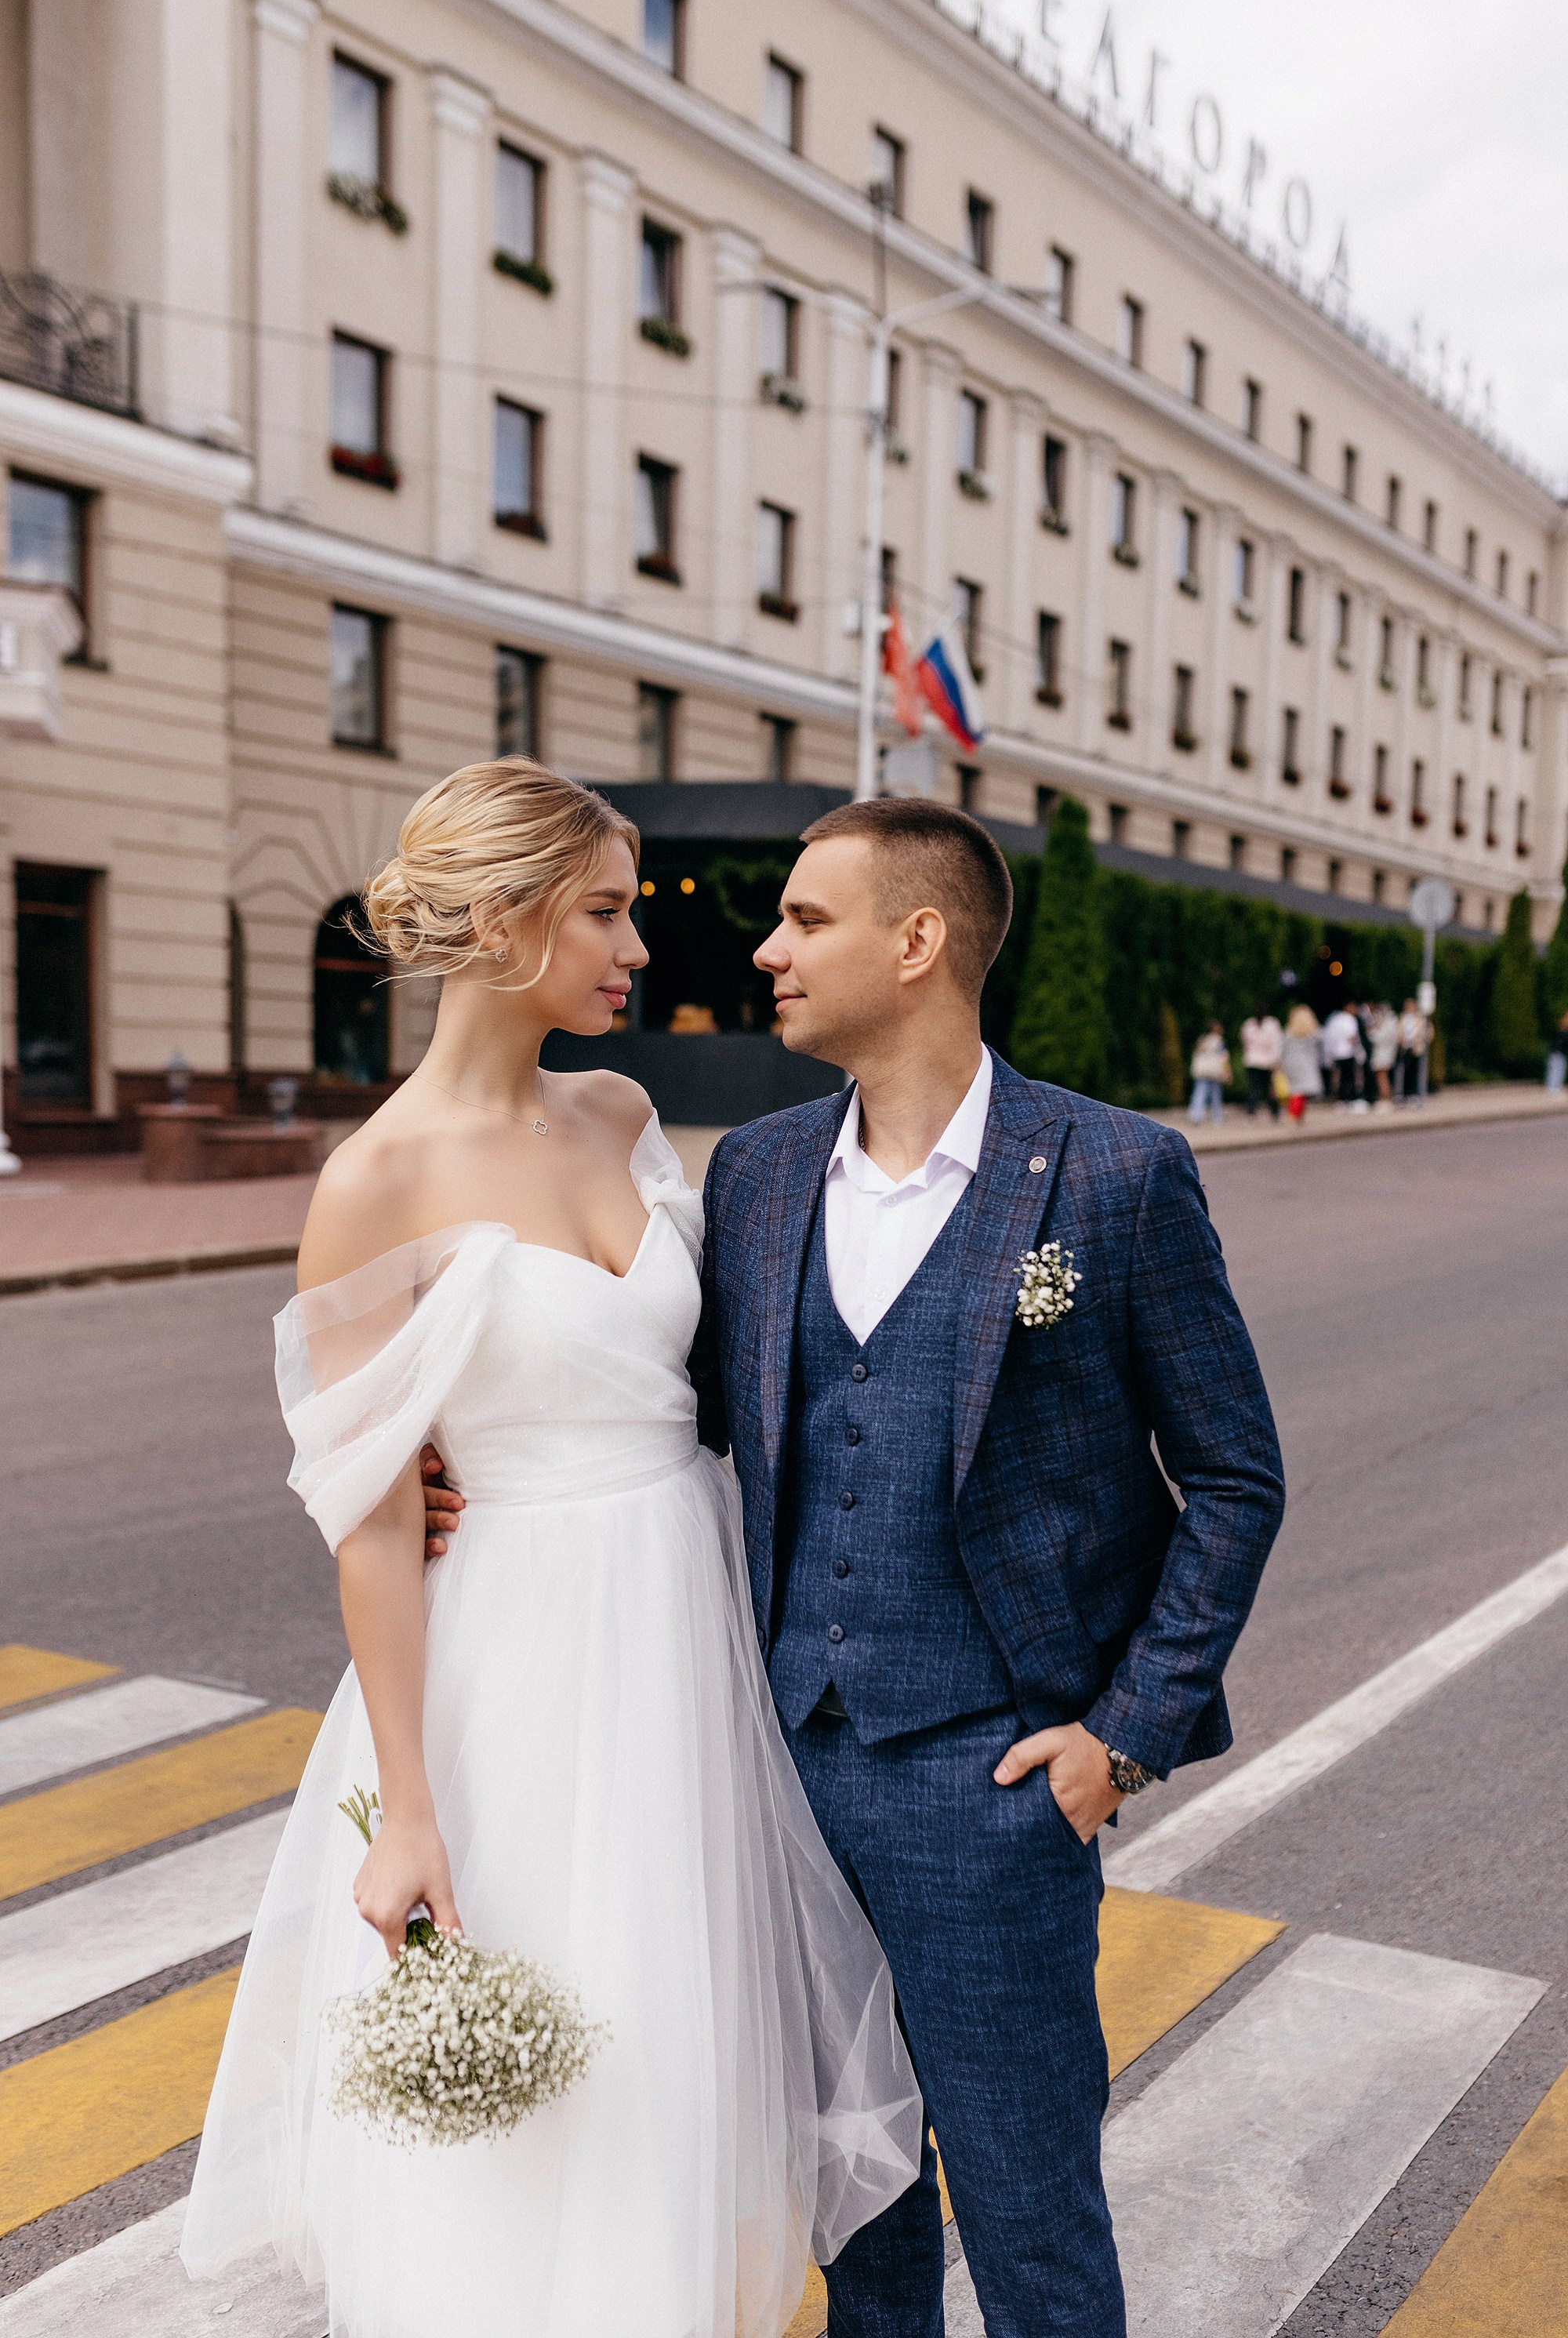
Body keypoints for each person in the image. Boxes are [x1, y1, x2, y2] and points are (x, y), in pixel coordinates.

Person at [423, 797, 1288, 2338]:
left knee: (1029, 2215)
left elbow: (1233, 1477)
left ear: (917, 942)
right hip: (773, 1783)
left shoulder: (1113, 1174)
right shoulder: (756, 1177)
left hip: (996, 1789)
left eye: (806, 921)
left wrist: (1122, 1740)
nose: (766, 949)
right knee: (854, 2215)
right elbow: (667, 1416)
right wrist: (458, 1452)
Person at [181, 761, 922, 2338]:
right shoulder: (374, 1181)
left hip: (684, 1636)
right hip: (513, 1666)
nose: (637, 950)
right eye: (605, 913)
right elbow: (374, 1529)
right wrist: (409, 1810)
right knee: (531, 2089)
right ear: (507, 917)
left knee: (668, 2043)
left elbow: (696, 1378)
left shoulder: (621, 1112)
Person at [1281, 1002, 1323, 1122]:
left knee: (1296, 1090)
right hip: (1307, 1065)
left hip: (1292, 1064)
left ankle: (1297, 1115)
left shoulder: (1289, 1033)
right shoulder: (1315, 1034)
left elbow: (1282, 1050)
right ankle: (1294, 1115)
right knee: (1300, 1091)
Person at [1240, 1006, 1284, 1119]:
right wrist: (1277, 1061)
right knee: (1270, 1088)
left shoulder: (1248, 1025)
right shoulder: (1272, 1024)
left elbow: (1244, 1042)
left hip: (1252, 1061)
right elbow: (1276, 1044)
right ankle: (1274, 1112)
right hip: (1267, 1061)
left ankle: (1251, 1111)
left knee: (1253, 1088)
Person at [1320, 995, 1364, 1106]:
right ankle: (1350, 1098)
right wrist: (1359, 1052)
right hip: (1348, 1052)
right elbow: (1352, 1037)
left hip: (1336, 1053)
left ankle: (1341, 1099)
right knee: (1349, 1077)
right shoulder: (1350, 1019)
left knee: (1340, 1077)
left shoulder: (1334, 1019)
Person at [1188, 1018, 1232, 1123]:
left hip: (1202, 1071)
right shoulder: (1219, 1041)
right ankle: (1217, 1117)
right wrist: (1227, 1072)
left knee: (1199, 1093)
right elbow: (1223, 1057)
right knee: (1216, 1095)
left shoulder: (1202, 1040)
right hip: (1214, 1071)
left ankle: (1196, 1116)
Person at [1367, 1000, 1400, 1108]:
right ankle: (1385, 1098)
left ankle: (1385, 1099)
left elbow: (1379, 1038)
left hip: (1382, 1053)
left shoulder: (1386, 1022)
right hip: (1385, 1052)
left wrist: (1373, 1030)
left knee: (1382, 1076)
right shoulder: (1392, 1021)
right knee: (1382, 1076)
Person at [1396, 997, 1428, 1101]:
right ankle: (1404, 1094)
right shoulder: (1402, 1017)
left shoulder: (1421, 1018)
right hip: (1405, 1048)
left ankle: (1415, 1094)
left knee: (1416, 1072)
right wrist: (1400, 1040)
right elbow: (1398, 1032)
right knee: (1405, 1072)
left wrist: (1418, 1041)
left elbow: (1427, 1032)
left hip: (1416, 1048)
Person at [1545, 1007, 1568, 1094]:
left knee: (1557, 1070)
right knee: (1556, 1070)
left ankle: (1555, 1087)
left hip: (1556, 1053)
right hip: (1558, 1053)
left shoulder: (1559, 1031)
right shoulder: (1564, 1033)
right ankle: (1553, 1087)